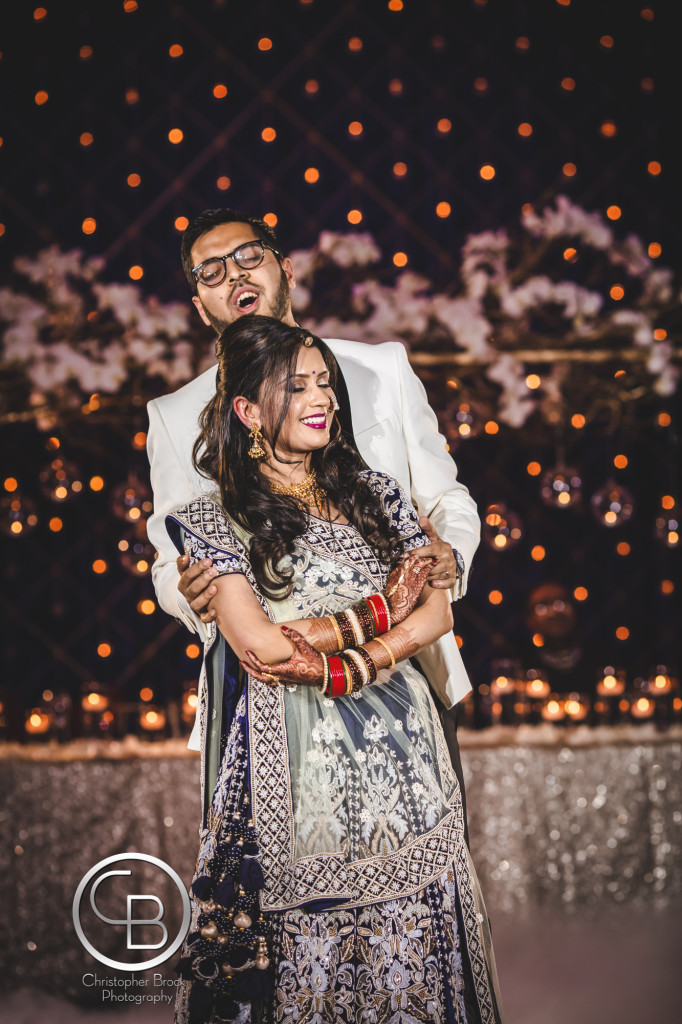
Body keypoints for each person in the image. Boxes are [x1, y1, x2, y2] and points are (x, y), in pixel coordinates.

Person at [165, 317, 502, 1024]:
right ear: (249, 412)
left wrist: (334, 637)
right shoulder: (214, 517)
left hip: (407, 763)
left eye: (325, 383)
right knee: (304, 953)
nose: (322, 398)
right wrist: (387, 615)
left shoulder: (375, 493)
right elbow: (263, 647)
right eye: (297, 386)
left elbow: (436, 617)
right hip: (290, 770)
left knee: (415, 946)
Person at [146, 208, 480, 827]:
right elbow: (171, 560)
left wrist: (449, 555)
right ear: (200, 304)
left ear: (284, 269)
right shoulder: (174, 415)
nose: (233, 275)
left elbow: (447, 500)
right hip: (264, 692)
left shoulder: (379, 369)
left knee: (425, 873)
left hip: (406, 670)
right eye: (211, 271)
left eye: (248, 256)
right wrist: (188, 590)